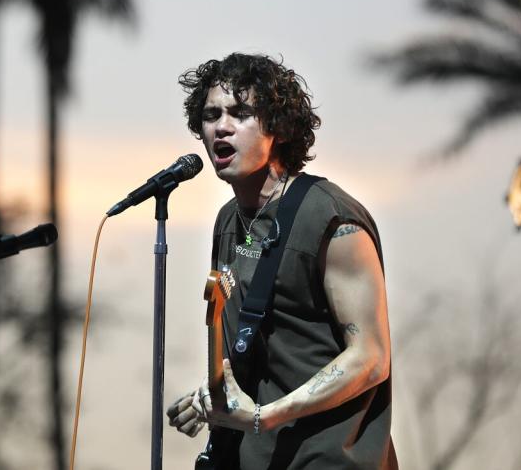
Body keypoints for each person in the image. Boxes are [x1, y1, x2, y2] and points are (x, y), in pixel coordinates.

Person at [166, 53, 397, 469]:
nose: (221, 126)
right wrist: (216, 396)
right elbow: (259, 348)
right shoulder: (228, 222)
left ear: (278, 127)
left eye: (241, 113)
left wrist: (265, 417)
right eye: (211, 114)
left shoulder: (330, 217)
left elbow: (371, 356)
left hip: (327, 459)